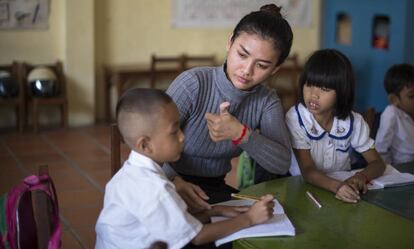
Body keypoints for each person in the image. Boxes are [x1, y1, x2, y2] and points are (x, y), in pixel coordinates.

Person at [95, 88, 276, 249]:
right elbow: (197, 237)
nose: (182, 137)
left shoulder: (131, 172)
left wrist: (215, 211)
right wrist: (249, 218)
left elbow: (174, 223)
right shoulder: (154, 190)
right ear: (145, 145)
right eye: (175, 132)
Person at [165, 4, 293, 209]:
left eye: (262, 65)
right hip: (167, 182)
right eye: (242, 55)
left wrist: (241, 134)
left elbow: (281, 163)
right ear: (230, 42)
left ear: (275, 69)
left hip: (214, 188)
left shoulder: (266, 101)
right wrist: (174, 181)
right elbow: (148, 151)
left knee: (262, 226)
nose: (246, 70)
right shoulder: (193, 84)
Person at [285, 49, 386, 203]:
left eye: (324, 89)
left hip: (342, 190)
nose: (313, 95)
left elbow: (378, 163)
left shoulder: (354, 121)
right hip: (302, 189)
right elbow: (307, 170)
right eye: (309, 84)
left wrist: (361, 176)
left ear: (342, 92)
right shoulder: (296, 118)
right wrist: (337, 187)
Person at [375, 63, 414, 165]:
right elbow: (381, 150)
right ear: (394, 99)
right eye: (412, 96)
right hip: (403, 169)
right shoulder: (391, 113)